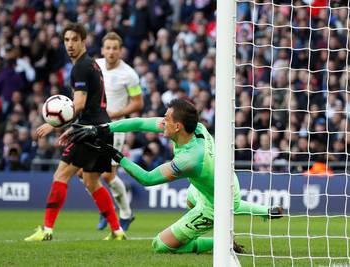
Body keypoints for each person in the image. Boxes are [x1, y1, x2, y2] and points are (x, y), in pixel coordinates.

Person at [67, 99, 283, 254]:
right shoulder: (192, 128)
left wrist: (116, 155)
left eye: (166, 118)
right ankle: (260, 213)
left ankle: (220, 242)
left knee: (160, 245)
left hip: (215, 200)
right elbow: (139, 123)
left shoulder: (189, 159)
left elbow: (148, 179)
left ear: (177, 126)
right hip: (219, 181)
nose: (162, 121)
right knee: (193, 199)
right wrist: (99, 129)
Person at [25, 23, 125, 241]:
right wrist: (73, 127)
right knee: (91, 181)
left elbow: (78, 104)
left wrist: (55, 124)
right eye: (66, 40)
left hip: (90, 131)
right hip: (103, 129)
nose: (70, 44)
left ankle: (47, 229)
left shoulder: (81, 67)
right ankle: (117, 230)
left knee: (61, 175)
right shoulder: (91, 65)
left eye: (74, 40)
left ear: (83, 41)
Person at [94, 32, 144, 231]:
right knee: (83, 173)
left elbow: (138, 103)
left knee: (107, 176)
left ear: (120, 50)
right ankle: (107, 208)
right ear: (102, 50)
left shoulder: (129, 74)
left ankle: (125, 213)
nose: (111, 51)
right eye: (108, 48)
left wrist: (117, 113)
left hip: (116, 128)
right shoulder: (95, 67)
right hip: (95, 126)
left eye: (115, 48)